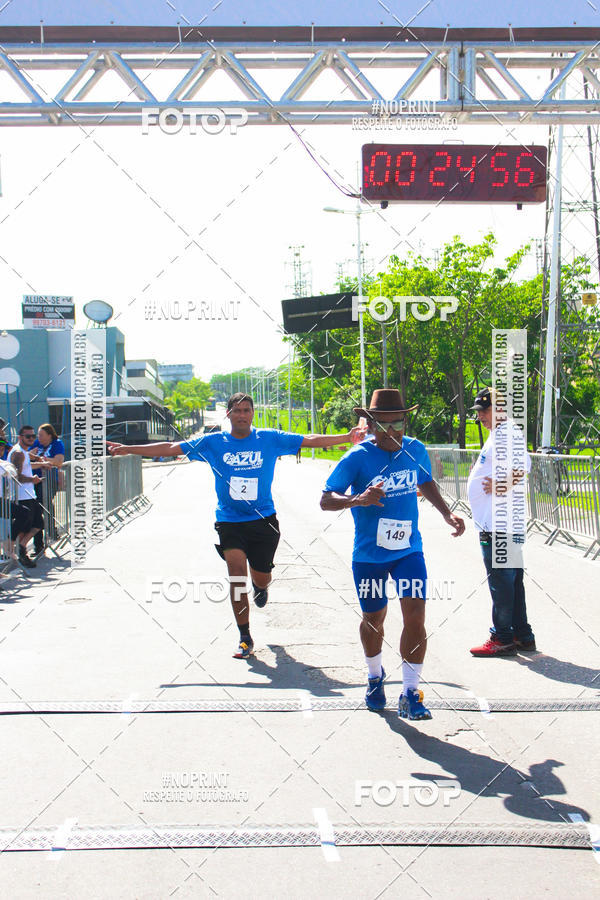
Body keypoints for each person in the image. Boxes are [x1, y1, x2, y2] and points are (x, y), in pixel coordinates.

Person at [108, 392, 365, 658]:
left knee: (261, 575)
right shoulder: (213, 443)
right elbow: (173, 448)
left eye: (246, 410)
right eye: (237, 410)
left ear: (252, 414)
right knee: (236, 576)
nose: (242, 415)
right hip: (230, 520)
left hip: (264, 520)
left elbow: (309, 440)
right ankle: (245, 636)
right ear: (228, 414)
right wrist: (129, 449)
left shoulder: (269, 439)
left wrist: (346, 438)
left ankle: (262, 586)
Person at [320, 389, 465, 720]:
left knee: (415, 615)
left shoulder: (415, 449)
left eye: (397, 422)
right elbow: (326, 499)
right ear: (371, 425)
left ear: (405, 421)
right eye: (383, 424)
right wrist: (358, 500)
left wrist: (446, 514)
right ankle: (374, 677)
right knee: (374, 619)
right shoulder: (356, 458)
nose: (391, 431)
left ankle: (411, 692)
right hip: (370, 555)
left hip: (408, 551)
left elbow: (425, 482)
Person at [467, 387, 535, 657]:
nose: (480, 416)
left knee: (502, 582)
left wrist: (500, 484)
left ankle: (503, 637)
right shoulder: (501, 433)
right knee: (512, 581)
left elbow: (523, 467)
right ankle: (521, 634)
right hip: (501, 523)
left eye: (484, 410)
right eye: (479, 411)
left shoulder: (506, 432)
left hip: (500, 525)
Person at [7, 425, 51, 568]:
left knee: (38, 524)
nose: (31, 438)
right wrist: (33, 480)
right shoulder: (18, 453)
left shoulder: (23, 452)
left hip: (29, 494)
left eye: (33, 436)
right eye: (28, 436)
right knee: (25, 526)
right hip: (21, 495)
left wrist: (42, 464)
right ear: (20, 438)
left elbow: (27, 467)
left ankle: (21, 547)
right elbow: (17, 476)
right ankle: (18, 551)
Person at [30, 423, 65, 556]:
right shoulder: (36, 444)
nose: (39, 437)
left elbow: (59, 461)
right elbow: (27, 458)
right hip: (35, 480)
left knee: (43, 504)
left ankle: (51, 529)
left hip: (49, 480)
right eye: (38, 435)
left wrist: (41, 459)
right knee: (37, 508)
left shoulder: (57, 444)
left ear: (49, 435)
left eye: (41, 435)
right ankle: (39, 543)